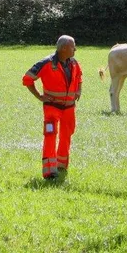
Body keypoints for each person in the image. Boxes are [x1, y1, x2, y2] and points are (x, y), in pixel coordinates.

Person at [23, 35, 83, 180]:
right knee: (50, 136)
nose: (75, 49)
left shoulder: (74, 63)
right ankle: (49, 171)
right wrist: (39, 96)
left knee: (66, 135)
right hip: (52, 108)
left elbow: (79, 76)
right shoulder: (46, 63)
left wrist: (78, 90)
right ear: (63, 48)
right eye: (72, 46)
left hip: (69, 108)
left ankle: (61, 165)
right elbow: (27, 79)